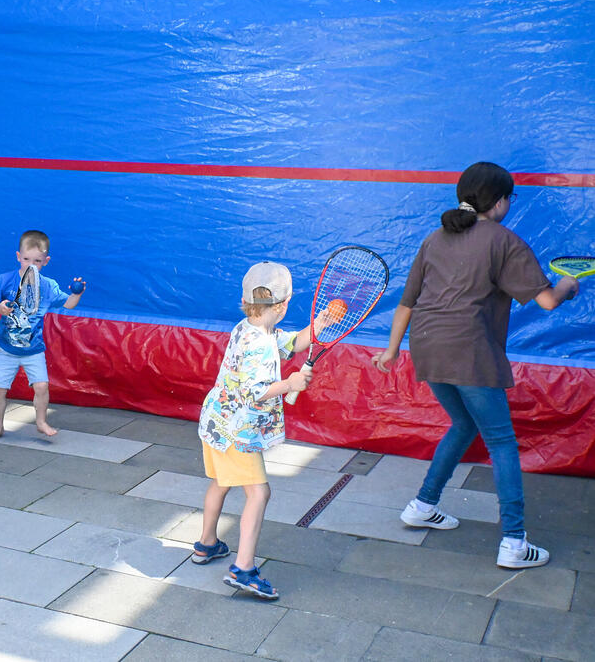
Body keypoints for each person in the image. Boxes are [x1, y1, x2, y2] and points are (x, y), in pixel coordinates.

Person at [372, 161, 578, 569]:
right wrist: (569, 287)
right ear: (500, 201)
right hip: (469, 352)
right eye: (510, 199)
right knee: (501, 441)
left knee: (464, 425)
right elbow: (549, 301)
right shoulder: (505, 241)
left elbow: (407, 303)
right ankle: (514, 542)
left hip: (427, 348)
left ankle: (422, 505)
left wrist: (393, 350)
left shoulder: (435, 238)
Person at [194, 262, 335, 600]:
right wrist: (290, 383)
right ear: (284, 305)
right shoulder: (259, 342)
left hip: (217, 423)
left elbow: (294, 344)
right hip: (237, 433)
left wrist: (321, 324)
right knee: (259, 494)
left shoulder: (250, 327)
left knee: (221, 482)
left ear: (248, 301)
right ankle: (243, 568)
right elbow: (256, 389)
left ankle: (207, 544)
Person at [0, 230, 84, 443]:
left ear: (46, 261)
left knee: (42, 386)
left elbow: (68, 304)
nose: (31, 264)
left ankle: (41, 422)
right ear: (18, 256)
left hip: (34, 349)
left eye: (37, 261)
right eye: (26, 259)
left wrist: (77, 293)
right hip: (5, 348)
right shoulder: (5, 280)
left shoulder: (48, 286)